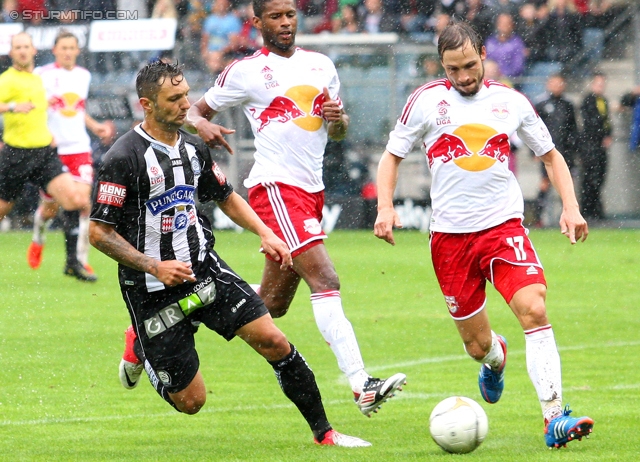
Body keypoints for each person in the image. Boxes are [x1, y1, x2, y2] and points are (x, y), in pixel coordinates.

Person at [89, 60, 370, 448]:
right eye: (173, 99)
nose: (185, 103)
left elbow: (225, 196)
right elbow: (99, 233)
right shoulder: (123, 158)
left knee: (274, 341)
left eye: (186, 93)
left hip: (206, 271)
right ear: (146, 105)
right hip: (152, 289)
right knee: (191, 402)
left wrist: (265, 232)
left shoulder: (193, 147)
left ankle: (325, 434)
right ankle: (142, 344)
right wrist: (154, 265)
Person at [374, 20, 594, 449]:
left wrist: (571, 207)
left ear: (483, 54)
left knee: (533, 308)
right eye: (453, 69)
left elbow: (551, 156)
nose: (464, 77)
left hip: (503, 228)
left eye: (471, 65)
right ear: (442, 65)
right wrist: (385, 207)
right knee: (477, 346)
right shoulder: (424, 101)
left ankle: (555, 418)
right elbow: (391, 157)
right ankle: (496, 357)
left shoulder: (511, 102)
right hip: (450, 241)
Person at [186, 0, 406, 417]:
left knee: (271, 304)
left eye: (290, 15)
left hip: (311, 190)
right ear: (257, 23)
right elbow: (194, 110)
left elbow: (337, 132)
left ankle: (177, 314)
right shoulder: (247, 70)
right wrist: (203, 126)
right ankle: (362, 384)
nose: (285, 23)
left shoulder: (322, 65)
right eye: (275, 17)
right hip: (276, 189)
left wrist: (337, 120)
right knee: (325, 278)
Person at [26, 31, 114, 281]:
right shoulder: (41, 75)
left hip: (79, 148)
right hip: (53, 150)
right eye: (63, 47)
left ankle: (80, 261)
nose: (67, 52)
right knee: (51, 208)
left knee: (84, 203)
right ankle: (38, 234)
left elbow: (77, 109)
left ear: (77, 51)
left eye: (72, 48)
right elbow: (35, 109)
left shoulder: (83, 76)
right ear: (54, 50)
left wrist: (95, 126)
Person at [0, 32, 87, 226]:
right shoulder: (7, 80)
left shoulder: (39, 78)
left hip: (44, 153)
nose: (22, 51)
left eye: (26, 47)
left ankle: (74, 258)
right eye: (18, 47)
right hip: (16, 155)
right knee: (2, 210)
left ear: (34, 50)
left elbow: (42, 110)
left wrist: (49, 134)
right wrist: (12, 106)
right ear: (11, 53)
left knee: (74, 200)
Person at [534, 74, 579, 227]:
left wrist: (574, 148)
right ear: (548, 84)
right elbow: (533, 129)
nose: (557, 86)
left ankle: (570, 216)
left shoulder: (568, 105)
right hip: (547, 152)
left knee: (567, 184)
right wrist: (533, 150)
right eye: (554, 83)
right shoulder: (541, 104)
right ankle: (538, 218)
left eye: (560, 84)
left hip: (565, 152)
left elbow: (574, 129)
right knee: (545, 183)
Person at [579, 71, 611, 220]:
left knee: (599, 176)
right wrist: (600, 135)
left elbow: (605, 121)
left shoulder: (603, 100)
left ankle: (593, 208)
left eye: (602, 84)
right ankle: (589, 209)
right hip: (590, 145)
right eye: (598, 83)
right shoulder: (588, 100)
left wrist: (607, 134)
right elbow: (592, 123)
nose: (600, 87)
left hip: (599, 145)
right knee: (590, 177)